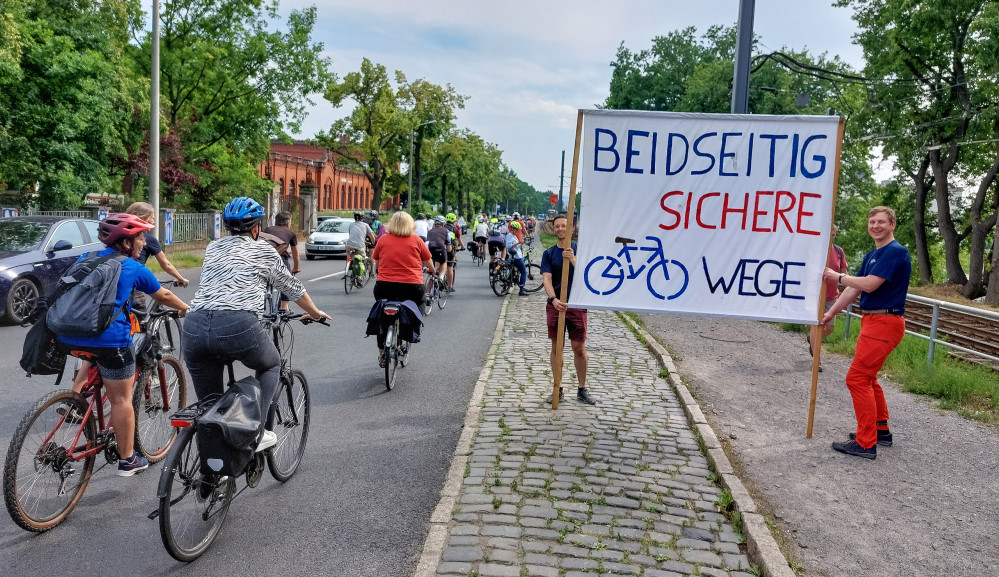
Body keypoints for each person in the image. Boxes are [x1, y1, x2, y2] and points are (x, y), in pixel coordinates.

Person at [183, 197, 329, 454]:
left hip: (194, 325)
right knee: (271, 364)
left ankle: (210, 475)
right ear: (255, 228)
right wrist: (315, 313)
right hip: (236, 323)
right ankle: (257, 431)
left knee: (209, 407)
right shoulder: (263, 250)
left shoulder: (212, 248)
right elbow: (292, 289)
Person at [57, 213, 190, 476]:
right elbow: (162, 295)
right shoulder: (132, 267)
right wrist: (188, 308)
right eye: (139, 237)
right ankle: (128, 459)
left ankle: (82, 403)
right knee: (121, 399)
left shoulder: (87, 258)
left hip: (67, 334)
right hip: (109, 341)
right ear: (127, 243)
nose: (143, 243)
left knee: (95, 365)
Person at [821, 206, 910, 460]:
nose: (876, 226)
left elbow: (869, 284)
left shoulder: (895, 252)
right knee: (868, 378)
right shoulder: (874, 254)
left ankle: (865, 442)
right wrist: (831, 312)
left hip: (884, 322)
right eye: (872, 222)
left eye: (881, 221)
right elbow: (853, 290)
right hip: (874, 321)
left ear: (892, 225)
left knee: (857, 379)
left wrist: (838, 276)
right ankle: (880, 432)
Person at [541, 214, 594, 405]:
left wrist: (573, 260)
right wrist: (553, 299)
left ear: (571, 228)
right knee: (557, 347)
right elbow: (546, 279)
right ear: (553, 230)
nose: (561, 229)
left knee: (578, 348)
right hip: (556, 306)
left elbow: (589, 276)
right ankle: (558, 387)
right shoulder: (548, 254)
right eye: (557, 227)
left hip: (577, 305)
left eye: (564, 226)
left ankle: (582, 388)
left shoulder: (582, 251)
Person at [370, 212, 433, 366]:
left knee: (382, 317)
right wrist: (433, 270)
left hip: (384, 286)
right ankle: (413, 331)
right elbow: (428, 261)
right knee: (421, 302)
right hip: (412, 286)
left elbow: (376, 261)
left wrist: (380, 272)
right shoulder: (417, 240)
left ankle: (381, 353)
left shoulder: (383, 239)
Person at [809, 224, 848, 365]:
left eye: (833, 234)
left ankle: (812, 341)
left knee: (829, 328)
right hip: (816, 296)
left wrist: (850, 286)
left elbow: (844, 272)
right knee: (817, 326)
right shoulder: (815, 250)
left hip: (832, 295)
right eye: (829, 233)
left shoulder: (838, 251)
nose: (831, 236)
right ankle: (816, 359)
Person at [263, 210, 300, 312]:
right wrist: (296, 268)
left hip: (263, 259)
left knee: (261, 281)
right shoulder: (290, 233)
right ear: (288, 223)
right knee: (286, 282)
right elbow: (296, 254)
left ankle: (260, 305)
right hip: (280, 259)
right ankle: (284, 307)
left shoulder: (267, 229)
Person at [505, 221, 527, 296]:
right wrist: (518, 243)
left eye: (518, 230)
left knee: (512, 272)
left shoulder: (514, 236)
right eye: (516, 229)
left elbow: (516, 246)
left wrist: (521, 243)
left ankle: (506, 286)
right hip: (515, 257)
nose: (517, 231)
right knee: (524, 272)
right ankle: (521, 290)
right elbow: (508, 246)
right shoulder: (510, 235)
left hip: (516, 255)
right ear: (512, 229)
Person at [427, 215, 451, 284]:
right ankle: (441, 277)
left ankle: (432, 277)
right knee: (443, 262)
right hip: (440, 249)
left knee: (432, 263)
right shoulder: (446, 231)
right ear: (443, 224)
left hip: (430, 249)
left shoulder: (430, 231)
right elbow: (449, 248)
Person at [445, 213, 462, 292]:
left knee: (441, 264)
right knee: (450, 267)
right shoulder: (455, 228)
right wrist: (462, 247)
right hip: (451, 248)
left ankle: (440, 279)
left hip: (442, 248)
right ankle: (450, 286)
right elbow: (459, 239)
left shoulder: (443, 227)